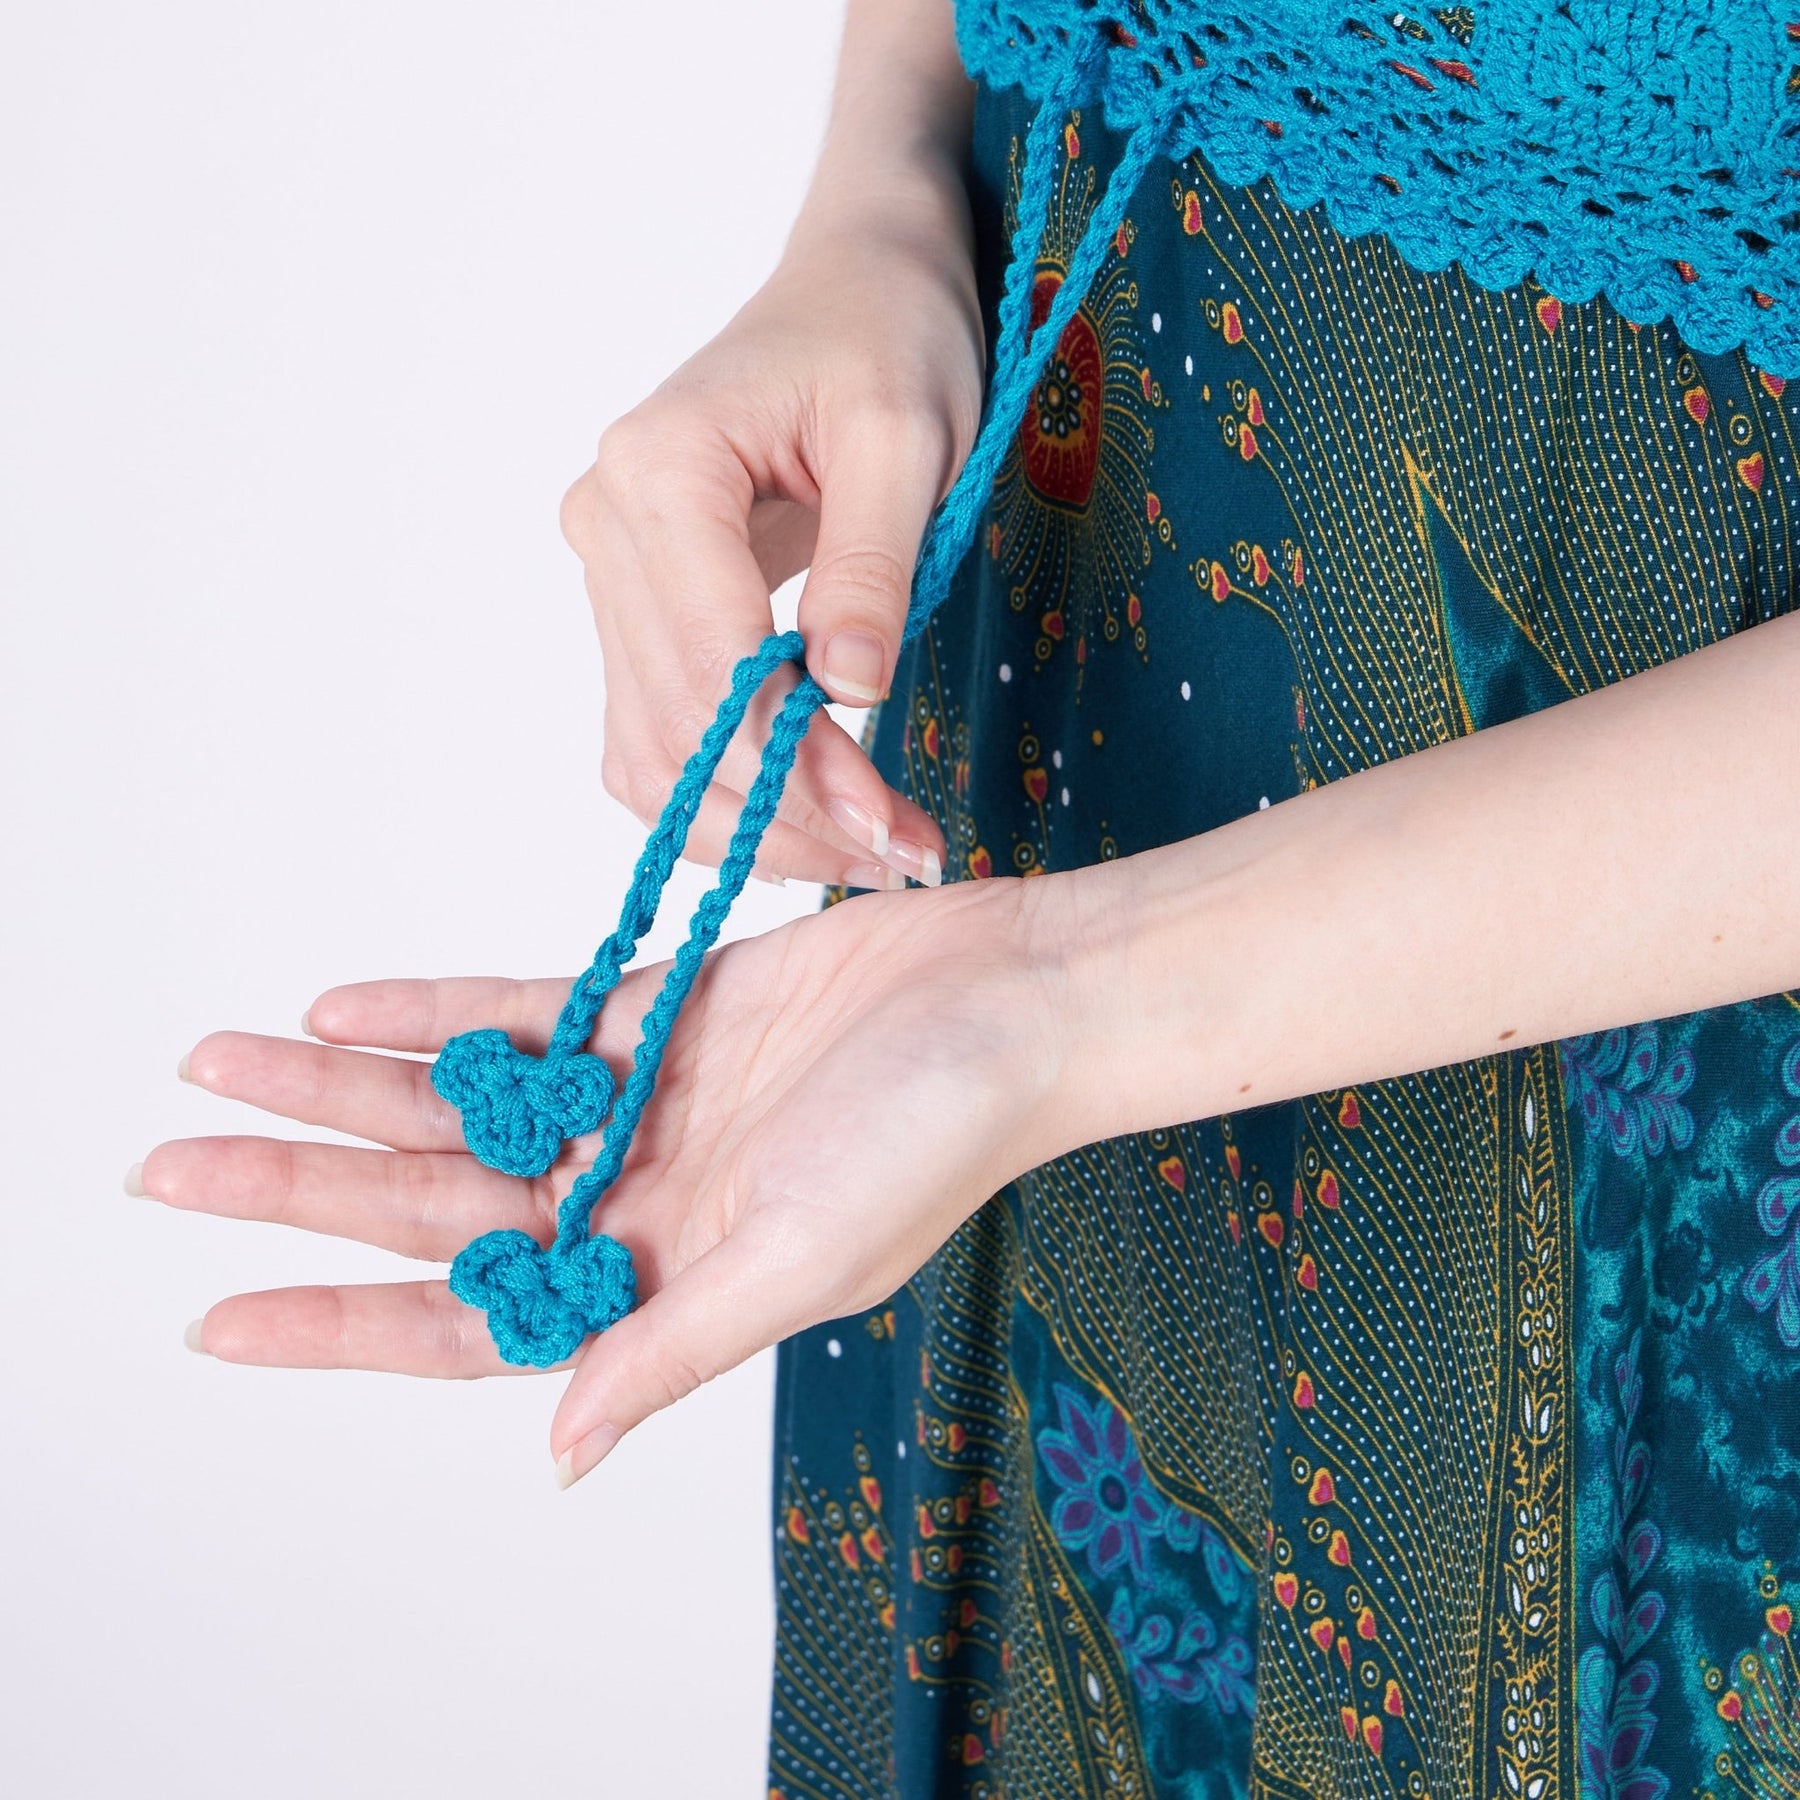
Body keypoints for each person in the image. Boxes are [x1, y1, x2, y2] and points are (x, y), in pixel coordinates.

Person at [134, 0, 1800, 1791]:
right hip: (1032, 798)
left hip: (1637, 973)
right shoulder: (983, 1012)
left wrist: (1058, 1001)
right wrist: (884, 198)